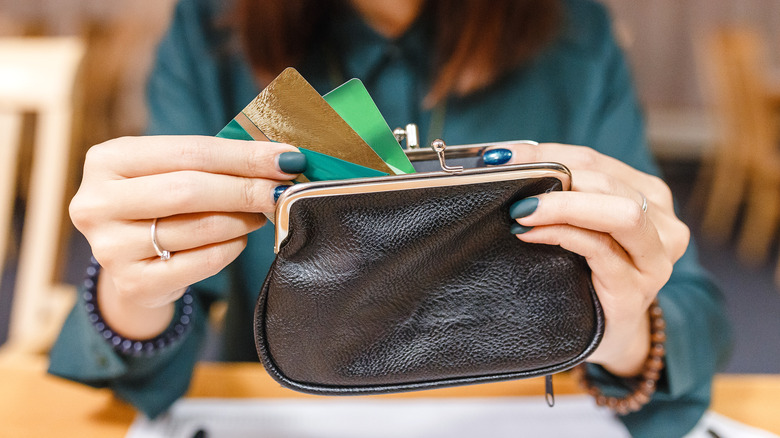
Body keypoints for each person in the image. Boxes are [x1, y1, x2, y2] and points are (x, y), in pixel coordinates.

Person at [49, 0, 731, 436]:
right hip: (286, 406)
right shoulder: (208, 28)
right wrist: (131, 289)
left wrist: (624, 323)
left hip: (525, 409)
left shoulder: (575, 34)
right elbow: (140, 374)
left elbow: (696, 322)